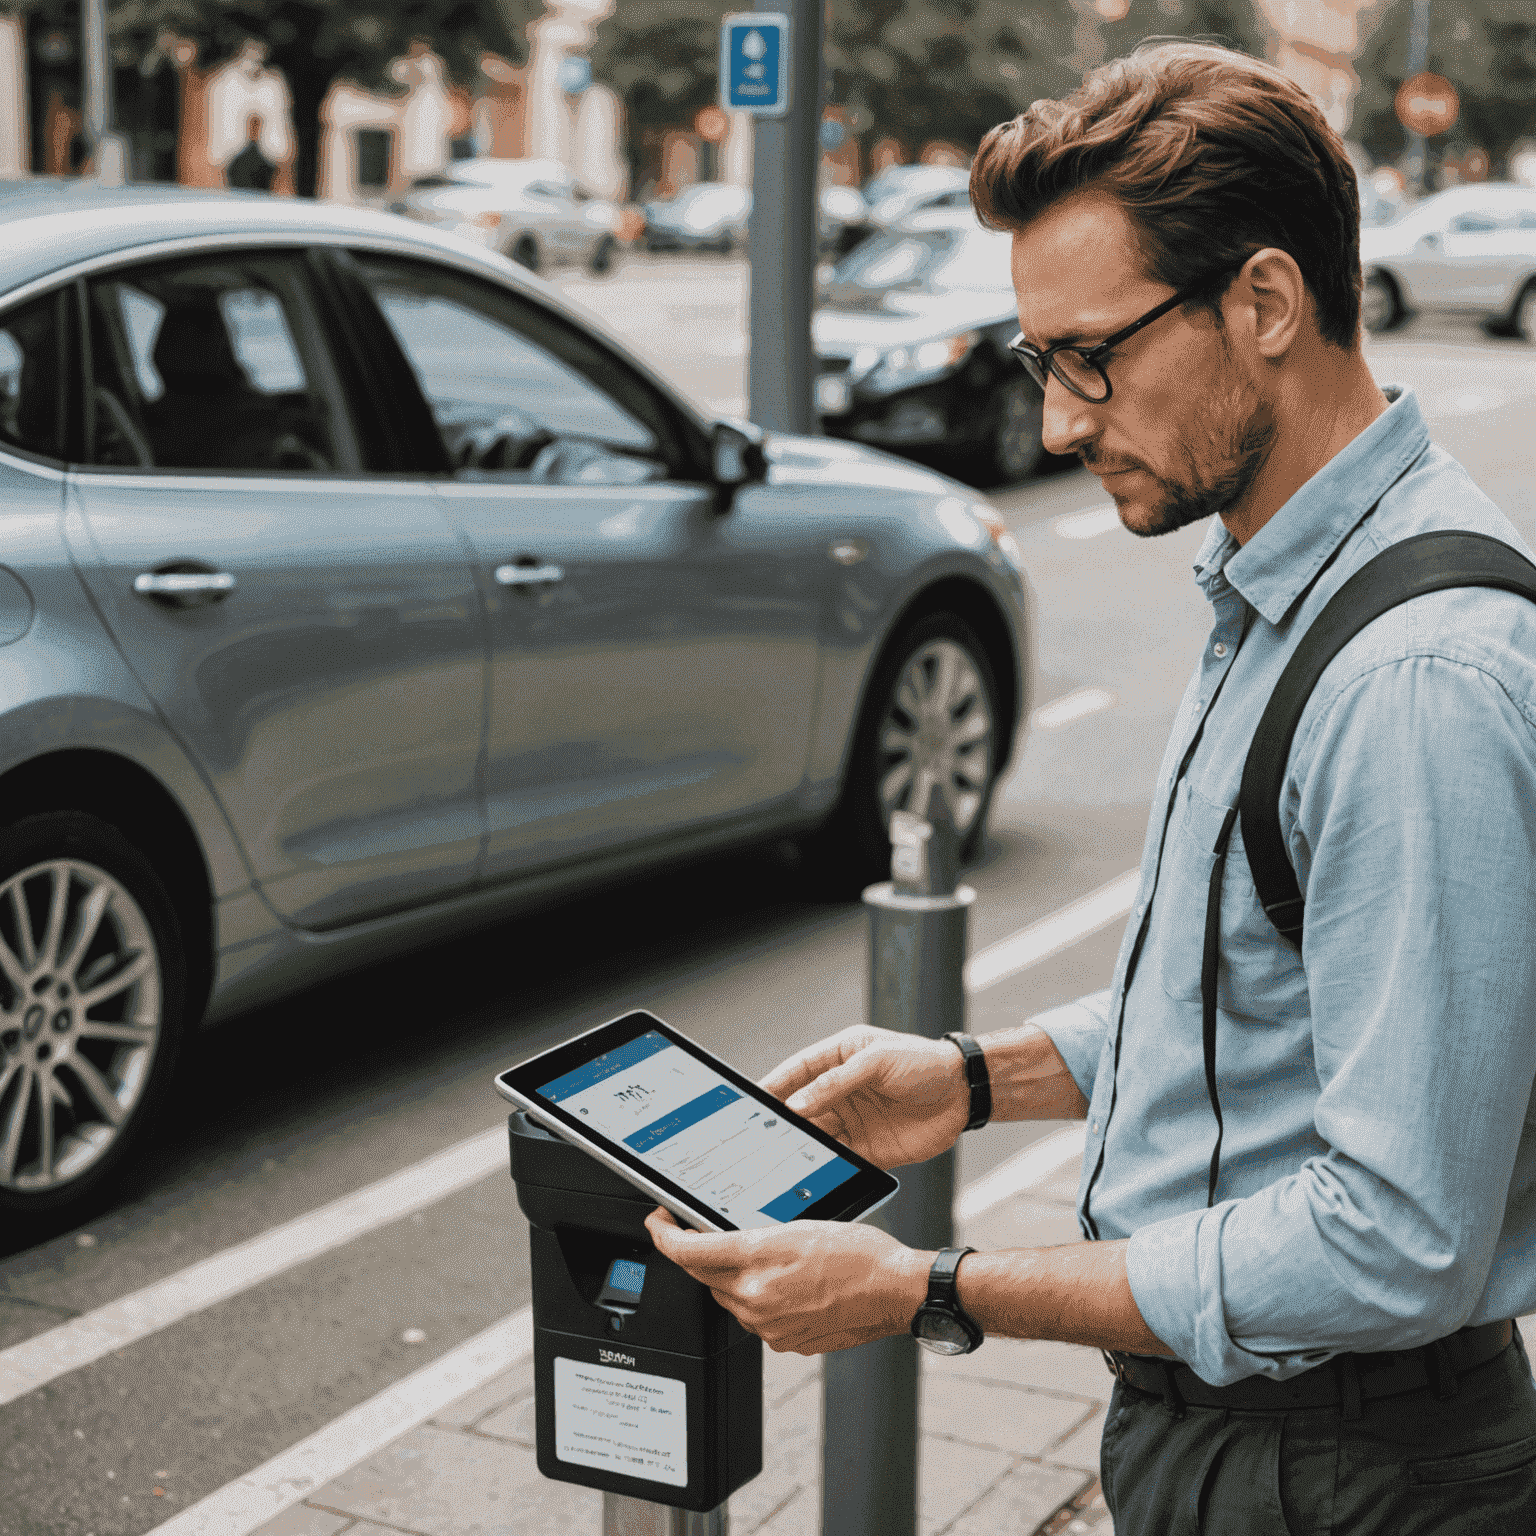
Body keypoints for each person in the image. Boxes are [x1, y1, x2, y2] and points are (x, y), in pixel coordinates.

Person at [647, 40, 1536, 1532]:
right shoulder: (1283, 578)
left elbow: (1396, 1241)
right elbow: (1253, 1003)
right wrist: (974, 1078)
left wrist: (929, 1289)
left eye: (1092, 357)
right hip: (1256, 1442)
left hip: (1333, 1467)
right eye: (1038, 363)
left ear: (1264, 302)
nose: (1059, 423)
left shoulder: (1409, 679)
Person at [226, 115, 276, 192]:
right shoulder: (239, 160)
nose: (255, 129)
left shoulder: (239, 160)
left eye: (257, 126)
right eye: (253, 126)